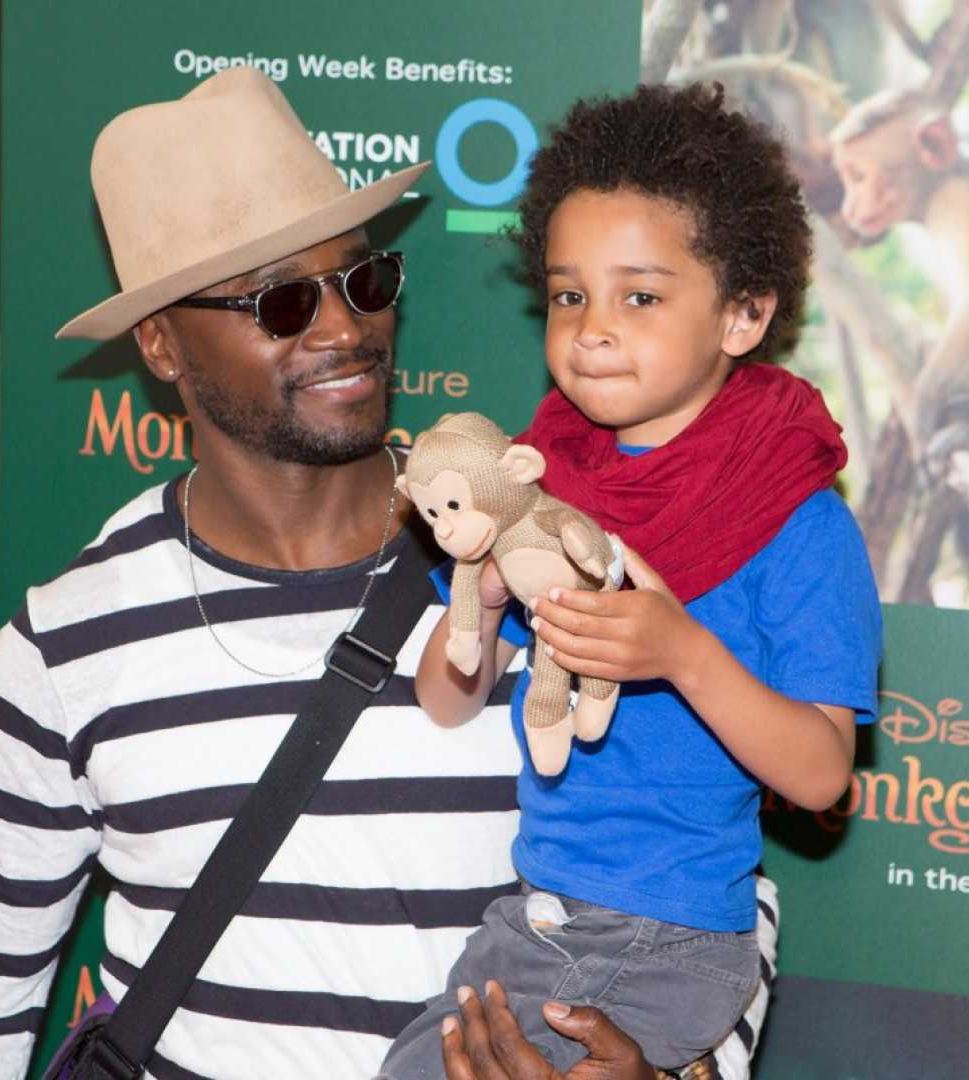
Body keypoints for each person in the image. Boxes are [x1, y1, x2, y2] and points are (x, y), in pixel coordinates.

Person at [0, 69, 754, 1080]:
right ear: (161, 342)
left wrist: (671, 1075)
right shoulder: (71, 640)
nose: (344, 328)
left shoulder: (546, 559)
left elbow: (719, 895)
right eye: (282, 300)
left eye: (364, 280)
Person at [381, 83, 882, 1079]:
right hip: (530, 920)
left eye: (639, 297)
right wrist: (473, 602)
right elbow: (447, 700)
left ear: (744, 313)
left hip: (673, 942)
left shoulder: (798, 523)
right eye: (571, 295)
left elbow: (823, 773)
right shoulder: (535, 485)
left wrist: (681, 651)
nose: (593, 329)